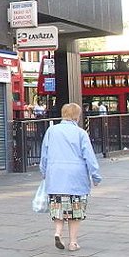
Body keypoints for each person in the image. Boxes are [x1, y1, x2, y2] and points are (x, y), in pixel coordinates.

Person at [39, 102, 102, 252]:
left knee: (58, 208)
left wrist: (44, 172)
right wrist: (95, 176)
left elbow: (44, 155)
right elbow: (89, 157)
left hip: (56, 177)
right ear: (77, 116)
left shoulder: (51, 131)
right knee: (75, 211)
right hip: (76, 178)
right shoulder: (81, 133)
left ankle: (58, 233)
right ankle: (73, 243)